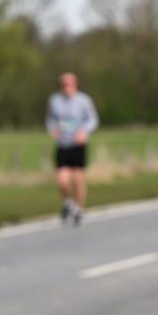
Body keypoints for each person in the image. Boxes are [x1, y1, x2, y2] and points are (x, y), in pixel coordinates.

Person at [46, 73, 99, 226]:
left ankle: (79, 209)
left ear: (75, 85)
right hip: (62, 143)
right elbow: (50, 119)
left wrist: (84, 132)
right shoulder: (54, 101)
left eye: (69, 85)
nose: (67, 88)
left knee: (77, 177)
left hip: (78, 143)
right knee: (62, 180)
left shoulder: (83, 100)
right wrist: (52, 129)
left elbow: (93, 120)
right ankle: (68, 203)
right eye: (64, 85)